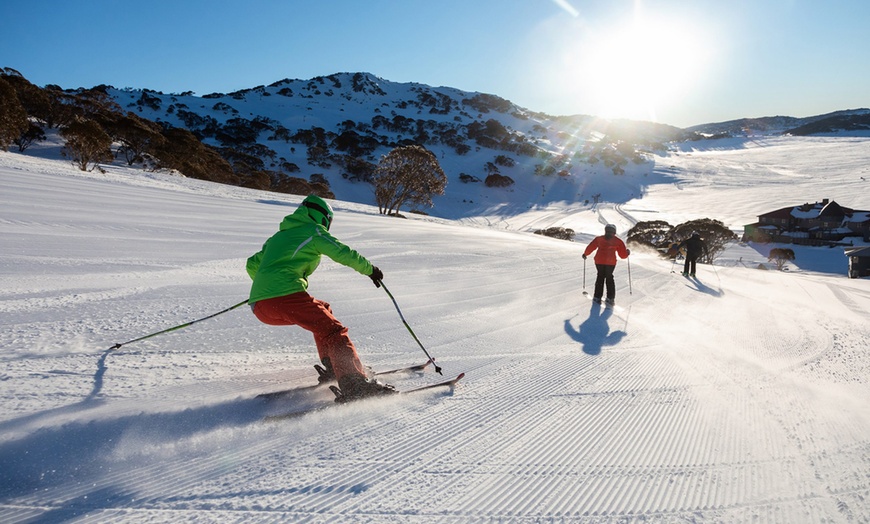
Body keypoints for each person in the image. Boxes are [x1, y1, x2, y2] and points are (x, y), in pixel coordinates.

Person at [246, 194, 396, 400]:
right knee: (333, 330)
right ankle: (354, 384)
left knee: (323, 310)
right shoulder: (313, 231)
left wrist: (267, 286)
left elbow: (252, 264)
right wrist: (370, 269)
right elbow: (341, 252)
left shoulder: (278, 237)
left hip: (260, 307)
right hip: (284, 298)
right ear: (323, 217)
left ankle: (335, 368)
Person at [582, 224, 630, 306]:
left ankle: (597, 297)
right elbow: (622, 255)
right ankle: (610, 299)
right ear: (614, 232)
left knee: (600, 277)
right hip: (611, 263)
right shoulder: (618, 241)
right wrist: (627, 253)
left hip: (599, 261)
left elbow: (591, 247)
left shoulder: (599, 239)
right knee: (609, 278)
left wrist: (585, 254)